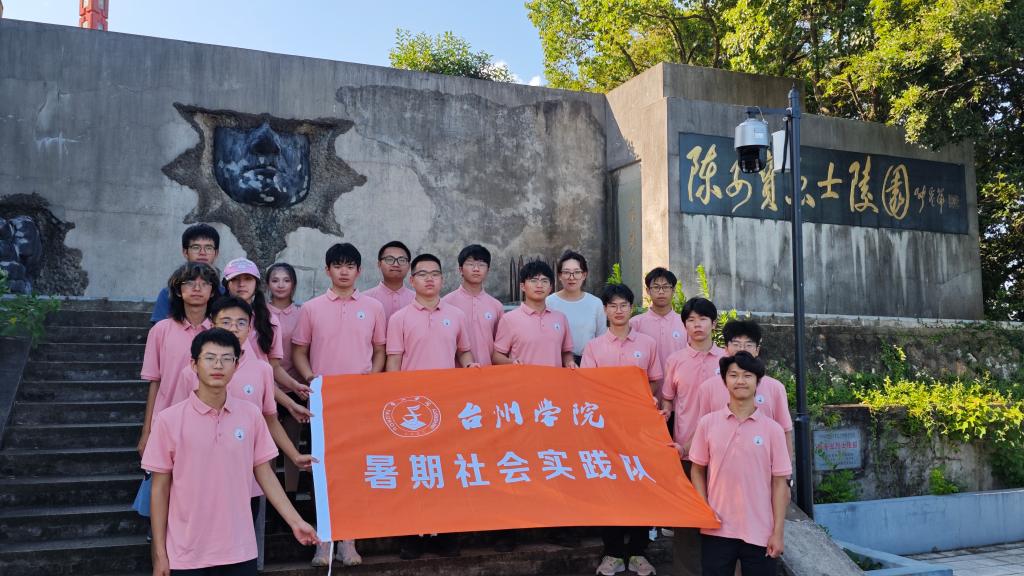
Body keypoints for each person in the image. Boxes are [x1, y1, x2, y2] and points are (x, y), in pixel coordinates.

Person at [144, 328, 319, 576]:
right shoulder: (168, 420)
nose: (218, 365)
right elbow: (159, 489)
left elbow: (265, 474)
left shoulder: (250, 415)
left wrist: (296, 521)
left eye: (227, 359)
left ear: (236, 366)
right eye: (210, 358)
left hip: (239, 550)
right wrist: (160, 554)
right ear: (193, 365)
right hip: (185, 553)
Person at [291, 243, 387, 567]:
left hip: (360, 403)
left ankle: (349, 540)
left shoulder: (373, 307)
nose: (344, 272)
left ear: (359, 271)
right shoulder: (311, 308)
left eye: (349, 266)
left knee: (356, 470)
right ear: (327, 270)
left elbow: (379, 350)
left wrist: (372, 378)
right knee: (321, 471)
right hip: (323, 403)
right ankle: (323, 541)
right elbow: (299, 351)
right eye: (337, 266)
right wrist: (311, 378)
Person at [386, 254, 477, 560]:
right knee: (413, 471)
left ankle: (447, 534)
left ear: (442, 279)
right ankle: (411, 536)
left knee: (446, 470)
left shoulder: (456, 315)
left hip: (448, 407)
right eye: (422, 274)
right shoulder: (399, 318)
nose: (429, 279)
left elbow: (464, 353)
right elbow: (394, 363)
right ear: (412, 280)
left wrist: (470, 367)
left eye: (435, 274)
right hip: (411, 410)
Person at [582, 283, 664, 576]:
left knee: (640, 484)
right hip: (605, 429)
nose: (618, 311)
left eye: (624, 305)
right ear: (605, 310)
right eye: (612, 306)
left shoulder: (647, 344)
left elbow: (654, 379)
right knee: (610, 486)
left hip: (639, 428)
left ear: (632, 308)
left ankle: (639, 551)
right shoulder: (594, 347)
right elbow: (587, 387)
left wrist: (637, 402)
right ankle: (613, 553)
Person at [688, 352, 791, 576]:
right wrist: (705, 509)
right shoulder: (708, 424)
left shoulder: (773, 430)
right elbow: (697, 470)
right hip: (716, 528)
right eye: (733, 375)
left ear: (758, 382)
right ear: (725, 381)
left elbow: (779, 483)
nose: (740, 381)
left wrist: (778, 532)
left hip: (760, 531)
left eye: (747, 375)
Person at [138, 263, 217, 456]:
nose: (197, 288)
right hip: (167, 420)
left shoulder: (220, 332)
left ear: (213, 291)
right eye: (189, 283)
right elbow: (155, 382)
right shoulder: (160, 330)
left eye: (204, 283)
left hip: (212, 421)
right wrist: (146, 431)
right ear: (179, 291)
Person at [221, 258, 311, 424]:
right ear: (226, 284)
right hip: (222, 397)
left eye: (248, 279)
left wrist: (293, 385)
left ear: (257, 284)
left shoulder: (269, 321)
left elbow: (272, 367)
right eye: (235, 279)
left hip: (259, 399)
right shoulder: (215, 320)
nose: (241, 284)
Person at [694, 320, 794, 459]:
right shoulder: (707, 388)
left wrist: (786, 469)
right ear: (726, 348)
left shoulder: (776, 388)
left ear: (757, 350)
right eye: (736, 344)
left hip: (763, 465)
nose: (742, 349)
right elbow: (702, 433)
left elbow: (785, 432)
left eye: (748, 345)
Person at [660, 297, 725, 462]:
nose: (697, 325)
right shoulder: (674, 360)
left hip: (722, 445)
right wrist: (666, 410)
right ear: (684, 326)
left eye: (703, 319)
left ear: (714, 324)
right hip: (684, 448)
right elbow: (667, 399)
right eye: (691, 320)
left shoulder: (727, 360)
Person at [265, 262, 304, 496]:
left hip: (294, 387)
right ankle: (270, 497)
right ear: (267, 284)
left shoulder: (303, 313)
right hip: (266, 387)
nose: (280, 285)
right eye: (275, 280)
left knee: (292, 444)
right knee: (267, 447)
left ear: (294, 284)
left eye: (286, 280)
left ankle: (291, 494)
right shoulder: (260, 313)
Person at [492, 260, 575, 368]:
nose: (539, 285)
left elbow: (566, 352)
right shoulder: (509, 319)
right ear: (522, 286)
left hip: (554, 378)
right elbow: (497, 356)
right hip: (523, 378)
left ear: (550, 288)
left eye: (544, 281)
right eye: (533, 280)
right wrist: (511, 363)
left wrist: (569, 362)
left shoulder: (560, 318)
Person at [441, 244, 504, 367]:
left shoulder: (496, 306)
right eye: (470, 264)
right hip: (456, 371)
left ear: (488, 270)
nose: (476, 269)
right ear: (460, 270)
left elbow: (501, 347)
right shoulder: (446, 303)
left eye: (481, 264)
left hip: (489, 371)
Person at [151, 224, 221, 324]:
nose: (202, 252)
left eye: (208, 247)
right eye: (196, 247)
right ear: (185, 252)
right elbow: (160, 329)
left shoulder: (224, 293)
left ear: (216, 253)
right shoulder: (168, 293)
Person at [629, 268, 687, 387]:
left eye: (666, 287)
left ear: (673, 290)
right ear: (648, 291)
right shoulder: (634, 324)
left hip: (679, 388)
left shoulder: (684, 323)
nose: (661, 292)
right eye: (656, 287)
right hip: (645, 389)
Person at [545, 250, 606, 364]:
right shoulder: (549, 302)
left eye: (577, 272)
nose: (571, 277)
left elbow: (601, 338)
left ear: (584, 275)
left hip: (588, 363)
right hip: (557, 362)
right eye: (566, 272)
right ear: (559, 275)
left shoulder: (595, 303)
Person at [364, 240, 415, 322]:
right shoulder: (364, 299)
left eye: (401, 260)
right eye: (390, 259)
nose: (396, 264)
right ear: (379, 264)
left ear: (409, 266)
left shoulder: (418, 300)